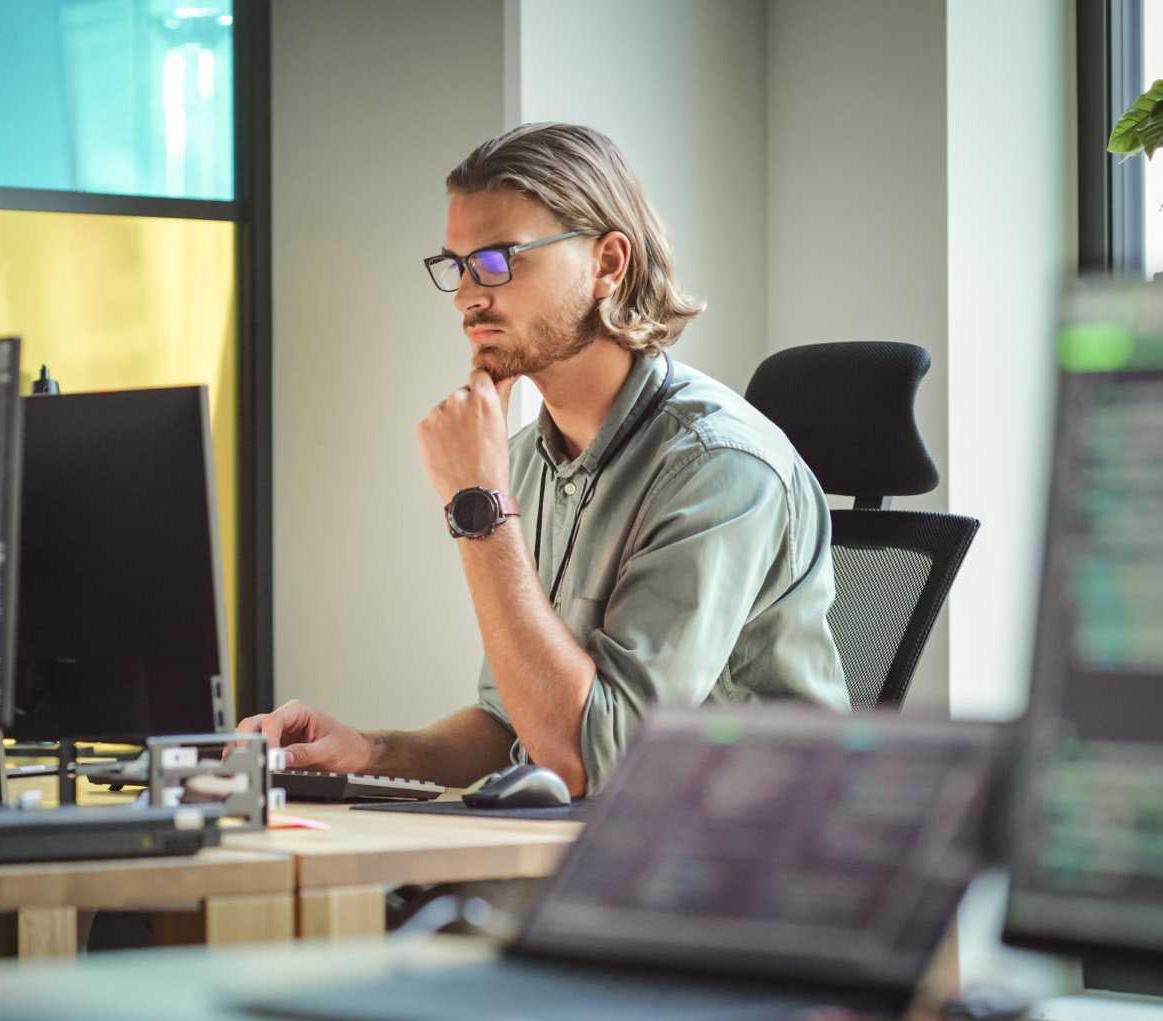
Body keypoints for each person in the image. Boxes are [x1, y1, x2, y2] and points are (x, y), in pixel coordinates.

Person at [244, 122, 848, 797]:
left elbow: (591, 761)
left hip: (743, 871)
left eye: (500, 259)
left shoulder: (720, 467)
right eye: (458, 266)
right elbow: (513, 724)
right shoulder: (528, 459)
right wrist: (371, 750)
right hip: (606, 855)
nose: (470, 295)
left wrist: (479, 507)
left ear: (608, 264)